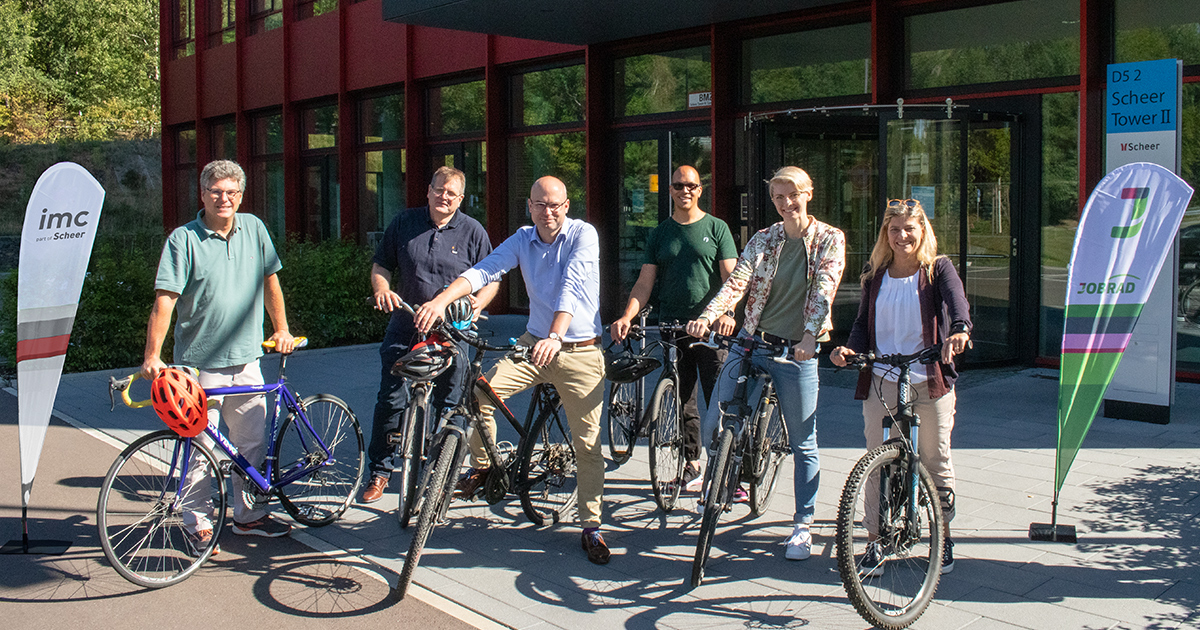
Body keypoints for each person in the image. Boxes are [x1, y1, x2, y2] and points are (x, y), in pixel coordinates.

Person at [415, 176, 610, 564]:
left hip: (579, 352)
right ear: (529, 206)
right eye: (540, 204)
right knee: (479, 394)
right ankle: (486, 469)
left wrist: (555, 335)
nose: (548, 212)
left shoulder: (583, 235)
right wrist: (442, 300)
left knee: (587, 444)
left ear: (567, 205)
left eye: (555, 205)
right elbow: (485, 270)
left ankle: (592, 526)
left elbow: (571, 286)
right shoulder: (523, 238)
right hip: (532, 343)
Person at [686, 165, 845, 561]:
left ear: (808, 193)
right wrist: (708, 316)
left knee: (802, 441)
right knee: (714, 423)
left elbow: (825, 287)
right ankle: (726, 472)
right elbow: (737, 282)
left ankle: (802, 525)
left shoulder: (829, 238)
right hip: (752, 342)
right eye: (778, 196)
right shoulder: (764, 238)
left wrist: (811, 336)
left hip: (797, 352)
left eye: (793, 194)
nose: (786, 203)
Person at [142, 159, 297, 554]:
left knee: (252, 443)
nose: (224, 199)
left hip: (246, 359)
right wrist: (152, 355)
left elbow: (270, 282)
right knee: (198, 449)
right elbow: (165, 300)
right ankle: (198, 523)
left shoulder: (255, 230)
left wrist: (281, 329)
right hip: (197, 365)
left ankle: (248, 517)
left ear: (241, 196)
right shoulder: (184, 239)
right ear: (203, 195)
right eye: (216, 191)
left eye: (231, 192)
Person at [830, 198, 970, 575]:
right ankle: (876, 540)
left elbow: (958, 307)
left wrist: (959, 331)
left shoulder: (937, 269)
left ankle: (944, 538)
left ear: (922, 230)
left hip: (928, 378)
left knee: (934, 460)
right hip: (883, 376)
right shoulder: (875, 274)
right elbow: (862, 324)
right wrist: (850, 350)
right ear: (885, 235)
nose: (902, 236)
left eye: (909, 228)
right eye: (894, 230)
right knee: (875, 460)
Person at [359, 166, 498, 504]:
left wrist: (478, 304)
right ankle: (380, 471)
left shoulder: (473, 231)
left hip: (453, 331)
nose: (443, 197)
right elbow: (381, 266)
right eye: (438, 190)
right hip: (406, 325)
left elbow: (491, 278)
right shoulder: (404, 223)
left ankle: (438, 472)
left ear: (461, 198)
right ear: (428, 190)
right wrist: (382, 289)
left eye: (451, 193)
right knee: (391, 400)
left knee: (449, 404)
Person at [610, 165, 737, 488]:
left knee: (719, 400)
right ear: (670, 190)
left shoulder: (716, 228)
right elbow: (644, 283)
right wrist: (627, 316)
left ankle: (727, 470)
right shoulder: (661, 232)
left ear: (700, 189)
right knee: (683, 399)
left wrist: (726, 313)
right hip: (672, 325)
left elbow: (732, 281)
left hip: (708, 329)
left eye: (691, 185)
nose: (685, 190)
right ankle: (692, 462)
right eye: (679, 185)